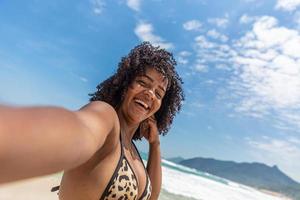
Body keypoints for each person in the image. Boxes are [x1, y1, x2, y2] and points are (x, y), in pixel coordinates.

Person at [0, 42, 184, 200]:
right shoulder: (105, 119)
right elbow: (76, 131)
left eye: (158, 93)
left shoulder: (131, 150)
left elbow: (151, 197)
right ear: (125, 83)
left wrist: (155, 144)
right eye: (143, 83)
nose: (150, 94)